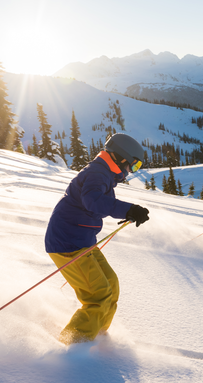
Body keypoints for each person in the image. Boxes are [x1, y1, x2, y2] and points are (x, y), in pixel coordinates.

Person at [45, 133, 150, 345]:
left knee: (111, 284)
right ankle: (75, 344)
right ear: (121, 157)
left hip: (81, 241)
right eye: (134, 165)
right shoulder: (97, 174)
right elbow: (93, 201)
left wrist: (127, 211)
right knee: (98, 295)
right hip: (67, 243)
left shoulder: (104, 173)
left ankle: (97, 334)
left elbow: (95, 203)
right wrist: (128, 209)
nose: (132, 170)